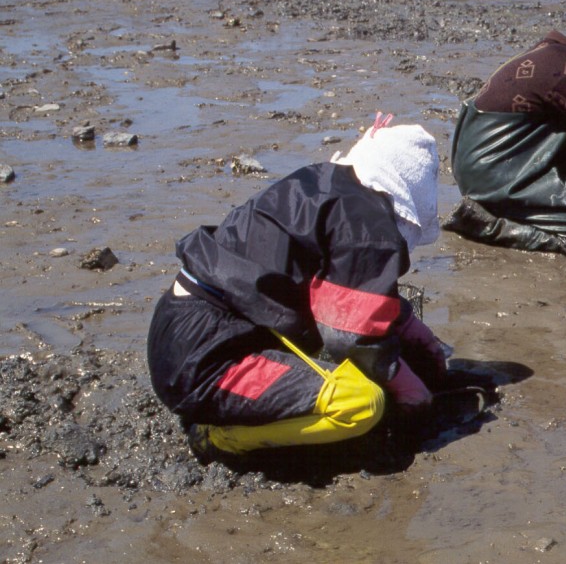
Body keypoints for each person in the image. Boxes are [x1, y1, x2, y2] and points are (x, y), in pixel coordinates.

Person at [147, 118, 459, 466]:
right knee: (360, 404)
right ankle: (219, 438)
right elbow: (348, 337)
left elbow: (338, 287)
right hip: (204, 362)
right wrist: (408, 388)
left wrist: (404, 322)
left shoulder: (328, 186)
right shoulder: (368, 224)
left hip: (179, 328)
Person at [442, 6, 566, 257]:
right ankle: (486, 226)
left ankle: (503, 207)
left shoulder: (549, 51)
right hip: (495, 174)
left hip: (475, 164)